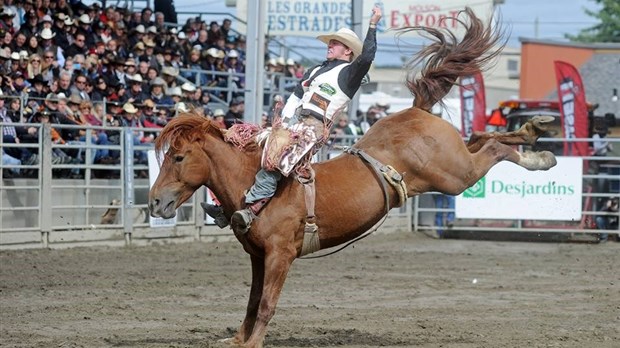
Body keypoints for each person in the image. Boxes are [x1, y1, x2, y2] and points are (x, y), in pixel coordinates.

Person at [228, 6, 382, 234]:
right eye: (330, 42)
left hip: (314, 126)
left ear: (348, 51)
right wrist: (284, 123)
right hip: (294, 122)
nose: (330, 45)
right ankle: (225, 206)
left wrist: (373, 24)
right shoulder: (316, 70)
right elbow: (297, 95)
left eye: (336, 43)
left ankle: (251, 208)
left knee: (280, 160)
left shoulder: (350, 74)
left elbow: (367, 55)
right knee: (249, 145)